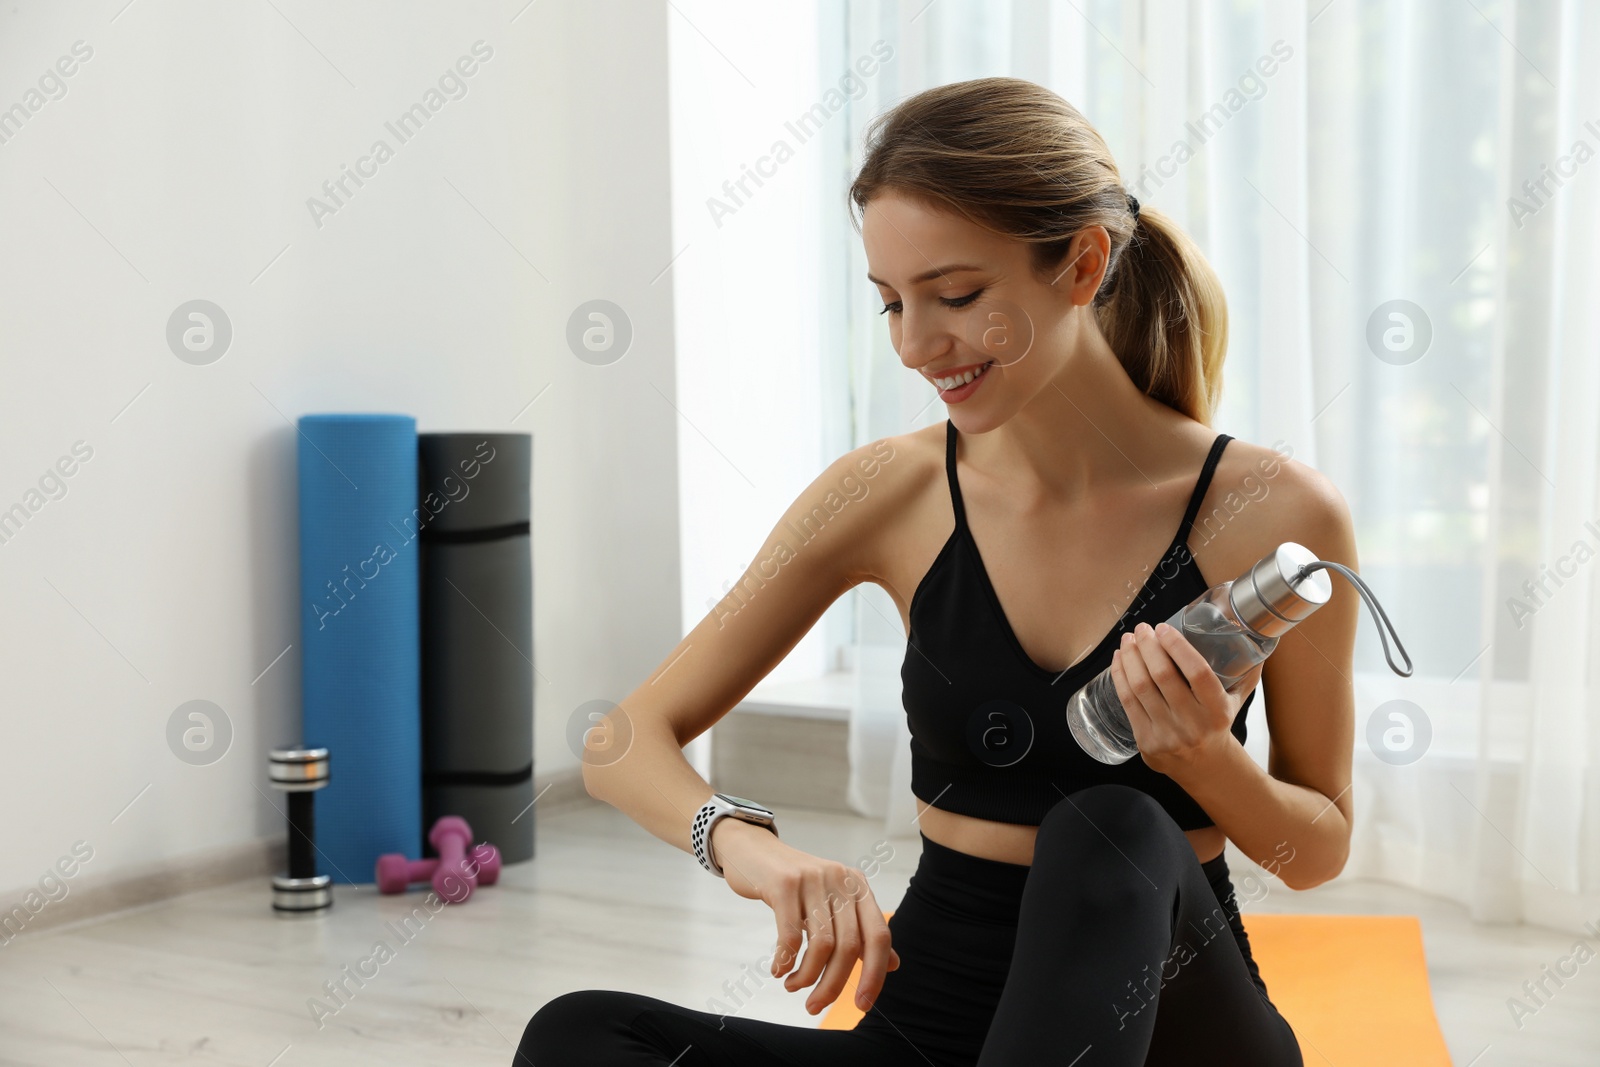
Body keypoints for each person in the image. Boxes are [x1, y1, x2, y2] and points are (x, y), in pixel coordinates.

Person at [517, 76, 1358, 1066]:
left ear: (1083, 263)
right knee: (580, 1036)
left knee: (1111, 822)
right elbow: (623, 744)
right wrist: (758, 852)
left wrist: (1207, 757)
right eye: (890, 303)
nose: (917, 345)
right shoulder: (889, 491)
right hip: (938, 1026)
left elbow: (1316, 850)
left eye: (957, 296)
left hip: (1180, 1032)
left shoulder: (1270, 508)